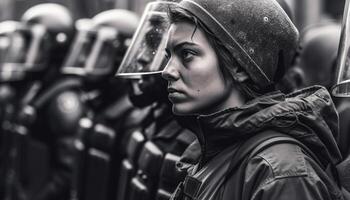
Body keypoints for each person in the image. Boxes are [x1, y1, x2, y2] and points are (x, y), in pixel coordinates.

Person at [159, 0, 345, 199]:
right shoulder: (215, 148)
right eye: (169, 55)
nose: (167, 71)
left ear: (240, 66)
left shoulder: (279, 172)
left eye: (187, 54)